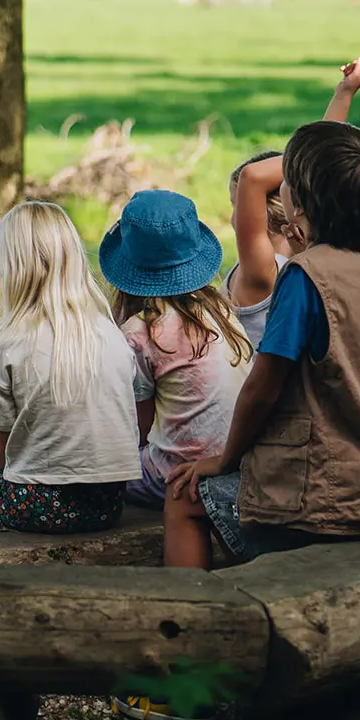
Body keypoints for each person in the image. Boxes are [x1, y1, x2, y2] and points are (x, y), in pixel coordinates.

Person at [163, 120, 360, 569]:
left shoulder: (305, 277)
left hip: (345, 503)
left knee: (184, 495)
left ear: (304, 201)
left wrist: (226, 459)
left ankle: (189, 625)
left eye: (289, 181)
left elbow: (262, 388)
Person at [0, 201, 140, 533]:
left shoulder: (6, 342)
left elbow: (2, 456)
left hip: (38, 507)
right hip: (108, 505)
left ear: (11, 265)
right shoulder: (110, 332)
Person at [100, 190, 253, 509]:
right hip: (237, 460)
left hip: (176, 474)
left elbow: (139, 430)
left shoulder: (141, 332)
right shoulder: (220, 312)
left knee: (93, 469)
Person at [223, 51, 360, 346]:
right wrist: (343, 94)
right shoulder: (312, 256)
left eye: (237, 203)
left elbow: (253, 178)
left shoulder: (261, 272)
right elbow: (318, 155)